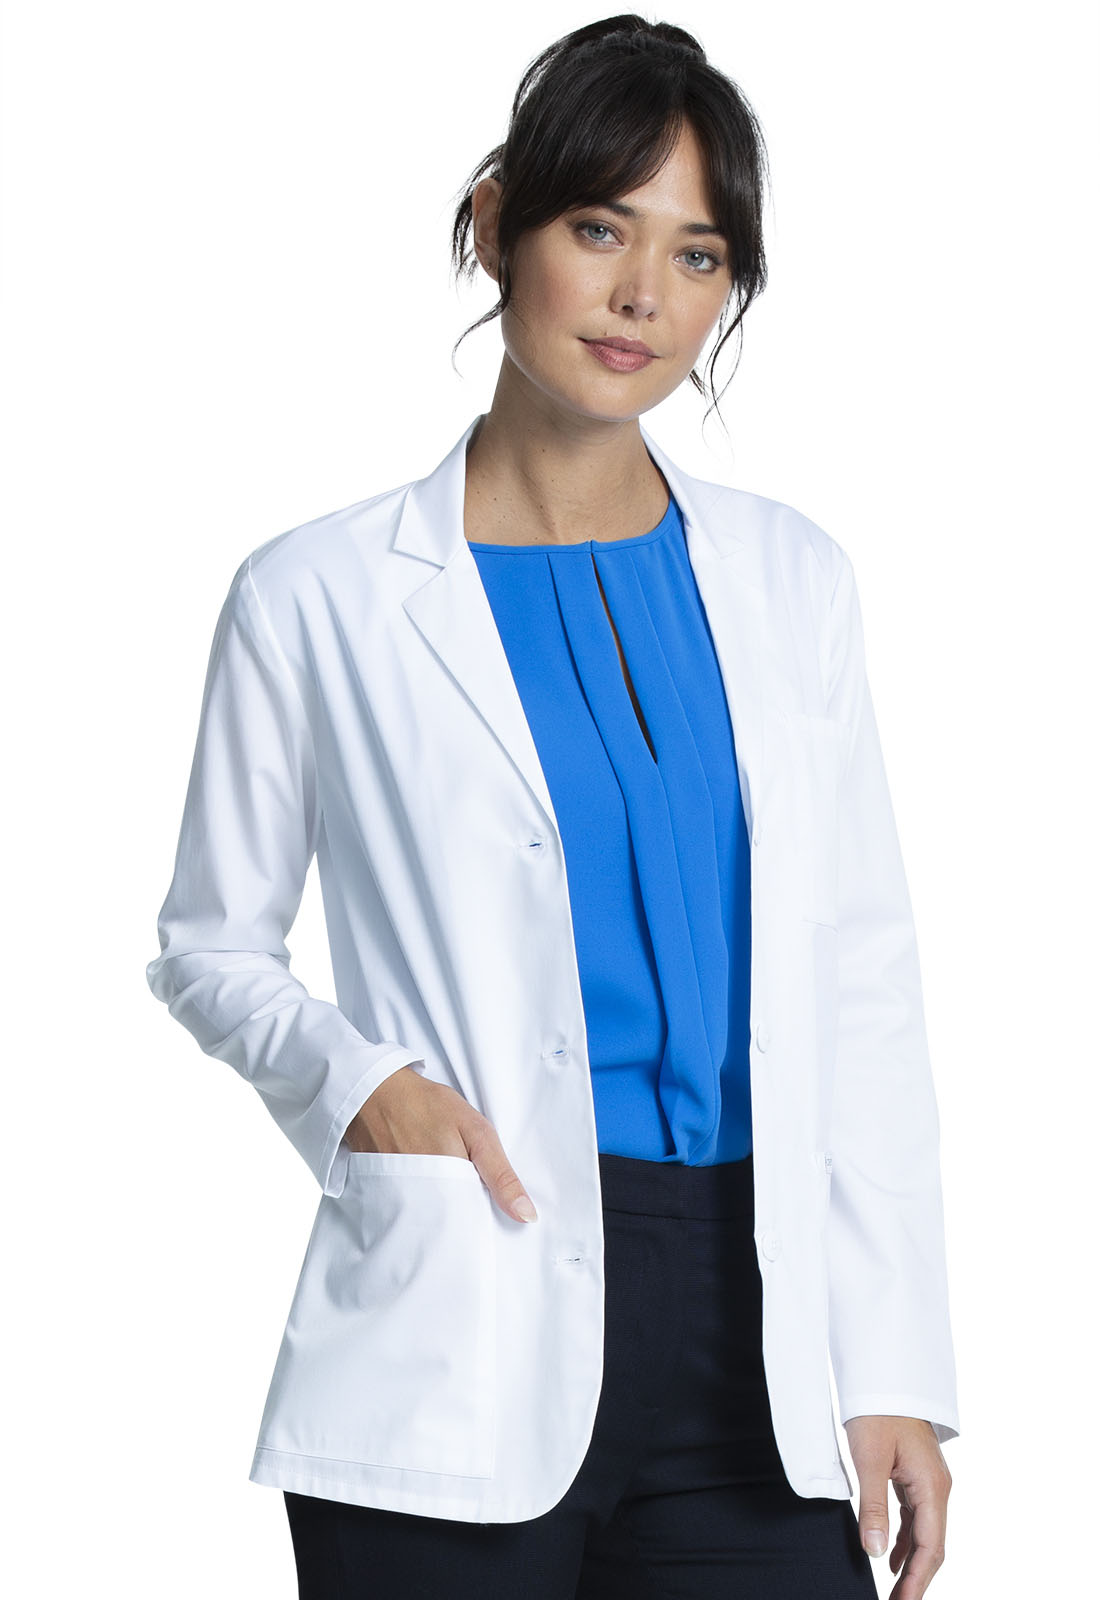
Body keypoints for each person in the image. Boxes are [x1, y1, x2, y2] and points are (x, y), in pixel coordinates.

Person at [146, 14, 959, 1599]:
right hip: (466, 1303)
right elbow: (208, 945)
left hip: (755, 1330)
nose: (644, 293)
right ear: (493, 224)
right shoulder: (317, 596)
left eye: (698, 254)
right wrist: (365, 1086)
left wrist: (895, 1363)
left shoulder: (794, 580)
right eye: (599, 228)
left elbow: (863, 978)